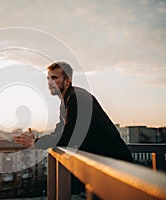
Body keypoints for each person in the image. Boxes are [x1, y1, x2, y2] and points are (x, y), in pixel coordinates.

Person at [12, 61, 133, 194]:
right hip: (104, 164)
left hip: (115, 165)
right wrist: (37, 140)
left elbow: (68, 136)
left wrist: (36, 143)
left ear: (67, 81)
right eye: (48, 78)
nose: (49, 82)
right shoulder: (66, 101)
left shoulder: (77, 98)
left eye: (54, 78)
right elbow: (60, 131)